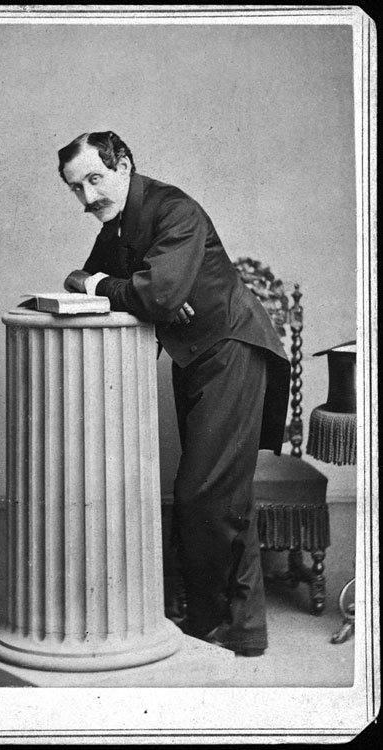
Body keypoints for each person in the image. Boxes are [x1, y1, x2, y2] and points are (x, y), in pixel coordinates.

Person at [58, 130, 290, 657]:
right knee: (223, 493)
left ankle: (210, 624)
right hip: (198, 360)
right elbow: (95, 278)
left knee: (203, 494)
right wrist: (117, 286)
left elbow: (155, 295)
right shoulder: (118, 226)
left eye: (95, 178)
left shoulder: (174, 210)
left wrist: (134, 291)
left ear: (124, 165)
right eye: (76, 187)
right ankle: (242, 628)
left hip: (233, 350)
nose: (88, 197)